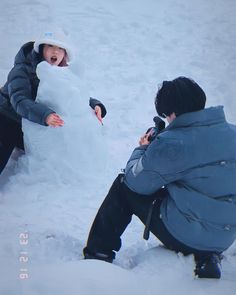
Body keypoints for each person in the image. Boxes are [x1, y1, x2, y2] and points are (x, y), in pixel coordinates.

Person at [83, 77, 236, 279]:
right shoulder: (232, 131)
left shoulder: (173, 142)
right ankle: (206, 255)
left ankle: (98, 255)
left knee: (123, 186)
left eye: (166, 114)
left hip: (189, 234)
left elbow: (136, 181)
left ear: (172, 112)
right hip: (225, 237)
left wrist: (145, 149)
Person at [0, 30, 106, 174]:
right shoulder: (23, 69)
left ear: (65, 55)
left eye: (60, 48)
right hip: (8, 116)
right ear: (42, 48)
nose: (55, 51)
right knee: (5, 142)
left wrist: (95, 105)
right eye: (50, 46)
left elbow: (74, 94)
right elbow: (19, 100)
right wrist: (46, 115)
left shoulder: (61, 73)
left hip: (31, 122)